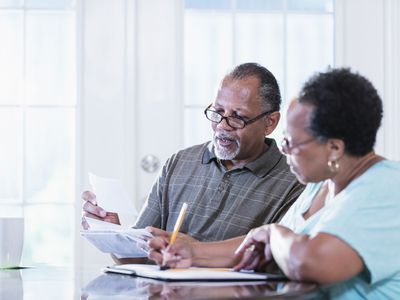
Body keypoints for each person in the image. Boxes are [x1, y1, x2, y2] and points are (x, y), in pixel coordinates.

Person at [151, 68, 400, 298]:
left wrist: (274, 232)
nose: (283, 150)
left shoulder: (387, 188)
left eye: (291, 142)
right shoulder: (321, 184)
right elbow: (262, 248)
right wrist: (193, 253)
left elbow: (309, 262)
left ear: (334, 148)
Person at [82, 62, 304, 264]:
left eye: (238, 117)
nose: (223, 126)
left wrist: (195, 251)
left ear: (270, 122)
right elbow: (137, 259)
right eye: (217, 112)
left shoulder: (293, 180)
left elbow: (278, 264)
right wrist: (113, 232)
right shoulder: (179, 164)